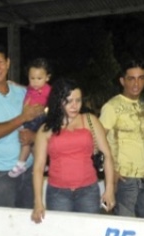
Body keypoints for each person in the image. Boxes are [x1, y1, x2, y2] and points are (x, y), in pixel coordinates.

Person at [31, 78, 115, 223]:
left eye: (78, 100)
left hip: (88, 191)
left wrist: (110, 189)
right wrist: (38, 202)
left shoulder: (90, 120)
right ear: (58, 101)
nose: (75, 106)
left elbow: (107, 155)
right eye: (69, 101)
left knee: (89, 234)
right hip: (58, 193)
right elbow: (38, 168)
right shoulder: (45, 130)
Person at [0, 43, 45, 208]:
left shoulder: (22, 91)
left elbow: (41, 121)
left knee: (29, 226)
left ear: (8, 63)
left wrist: (34, 137)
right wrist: (22, 117)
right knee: (6, 227)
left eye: (0, 62)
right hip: (2, 175)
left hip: (30, 169)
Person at [99, 59, 144, 218]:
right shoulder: (112, 107)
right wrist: (112, 172)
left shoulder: (143, 106)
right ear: (122, 81)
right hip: (124, 178)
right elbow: (97, 142)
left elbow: (142, 137)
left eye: (140, 78)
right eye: (131, 78)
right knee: (124, 227)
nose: (136, 83)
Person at [9, 58, 52, 177]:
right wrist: (15, 84)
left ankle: (20, 164)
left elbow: (55, 98)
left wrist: (46, 110)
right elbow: (25, 88)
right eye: (32, 78)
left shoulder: (47, 89)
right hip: (29, 117)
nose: (35, 82)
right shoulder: (31, 88)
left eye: (39, 78)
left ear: (47, 78)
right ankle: (42, 163)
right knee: (32, 143)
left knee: (26, 140)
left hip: (36, 117)